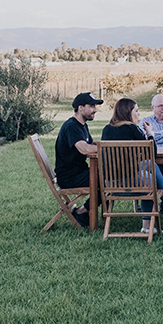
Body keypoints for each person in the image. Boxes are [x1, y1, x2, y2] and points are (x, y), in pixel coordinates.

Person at [100, 98, 163, 232]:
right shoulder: (132, 129)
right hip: (130, 183)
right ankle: (156, 216)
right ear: (127, 113)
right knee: (150, 178)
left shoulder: (106, 129)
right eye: (136, 111)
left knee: (149, 166)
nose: (138, 114)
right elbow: (152, 153)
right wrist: (150, 133)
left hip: (110, 184)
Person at [55, 92, 101, 228]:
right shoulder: (72, 126)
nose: (95, 110)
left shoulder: (82, 125)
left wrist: (105, 144)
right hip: (69, 177)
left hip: (78, 172)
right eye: (92, 106)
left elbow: (91, 146)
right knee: (107, 179)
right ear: (81, 108)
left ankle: (84, 211)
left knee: (106, 176)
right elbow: (84, 149)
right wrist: (104, 148)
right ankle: (83, 211)